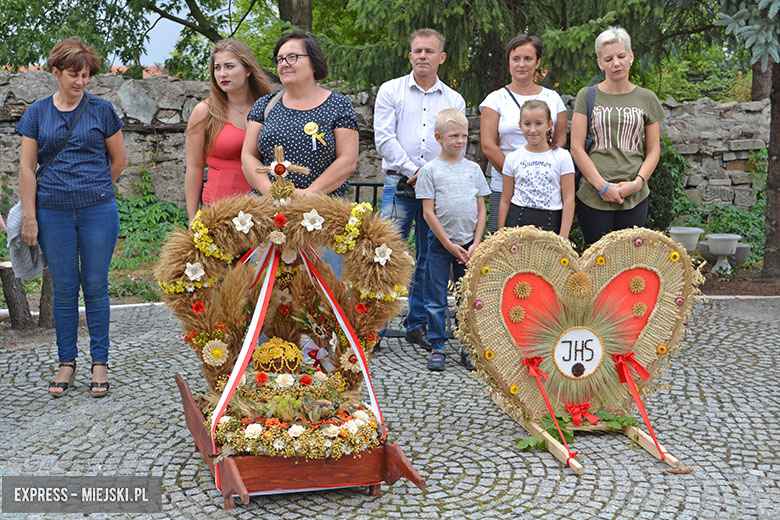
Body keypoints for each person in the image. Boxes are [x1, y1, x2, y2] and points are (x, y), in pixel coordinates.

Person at [16, 37, 127, 397]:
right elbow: (26, 168)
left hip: (98, 211)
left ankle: (99, 362)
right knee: (64, 290)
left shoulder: (102, 110)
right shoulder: (36, 113)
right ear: (55, 72)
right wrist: (30, 216)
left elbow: (119, 160)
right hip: (51, 213)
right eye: (73, 74)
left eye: (85, 75)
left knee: (95, 286)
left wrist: (95, 189)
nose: (80, 82)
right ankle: (66, 363)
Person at [374, 28, 466, 350]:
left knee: (429, 258)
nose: (422, 56)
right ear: (410, 55)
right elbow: (384, 138)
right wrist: (415, 171)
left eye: (429, 51)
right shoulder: (391, 91)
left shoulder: (453, 100)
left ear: (441, 57)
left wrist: (430, 177)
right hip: (399, 185)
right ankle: (375, 327)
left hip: (436, 191)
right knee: (385, 255)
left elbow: (456, 144)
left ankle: (417, 324)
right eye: (417, 50)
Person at [242, 31, 358, 278]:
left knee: (324, 297)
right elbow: (248, 156)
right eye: (280, 59)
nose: (284, 63)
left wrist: (307, 196)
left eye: (292, 57)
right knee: (271, 297)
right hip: (270, 216)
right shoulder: (265, 105)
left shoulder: (338, 105)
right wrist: (272, 193)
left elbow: (347, 159)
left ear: (314, 62)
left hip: (322, 219)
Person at [570, 26, 664, 246]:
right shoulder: (587, 95)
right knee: (597, 261)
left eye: (621, 56)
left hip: (634, 197)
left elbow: (653, 150)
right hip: (593, 196)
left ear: (631, 56)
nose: (616, 63)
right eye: (609, 58)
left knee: (628, 264)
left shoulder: (647, 98)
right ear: (600, 63)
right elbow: (576, 147)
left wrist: (637, 184)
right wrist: (602, 186)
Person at [416, 109, 490, 372]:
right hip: (440, 244)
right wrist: (448, 244)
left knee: (466, 297)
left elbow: (482, 210)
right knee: (435, 297)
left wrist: (476, 242)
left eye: (464, 136)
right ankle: (437, 345)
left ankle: (467, 346)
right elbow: (428, 212)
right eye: (454, 136)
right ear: (438, 137)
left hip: (469, 244)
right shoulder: (430, 171)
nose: (460, 141)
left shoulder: (473, 170)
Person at [480, 34, 567, 234]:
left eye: (528, 59)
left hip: (545, 190)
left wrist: (538, 173)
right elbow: (488, 145)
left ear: (537, 63)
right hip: (505, 187)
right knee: (502, 246)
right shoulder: (495, 100)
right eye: (516, 59)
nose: (521, 64)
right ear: (509, 62)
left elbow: (560, 140)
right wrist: (517, 176)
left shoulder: (552, 98)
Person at [185, 39, 271, 223]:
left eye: (229, 66)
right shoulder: (204, 111)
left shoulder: (270, 109)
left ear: (248, 70)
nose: (222, 74)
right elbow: (194, 167)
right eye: (217, 68)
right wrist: (192, 216)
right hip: (217, 213)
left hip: (264, 212)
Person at [498, 100, 575, 239]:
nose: (532, 130)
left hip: (551, 222)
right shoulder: (513, 158)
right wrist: (501, 235)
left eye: (538, 123)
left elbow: (569, 198)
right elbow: (505, 199)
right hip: (517, 221)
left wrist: (563, 235)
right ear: (520, 125)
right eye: (527, 124)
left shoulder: (562, 156)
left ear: (549, 125)